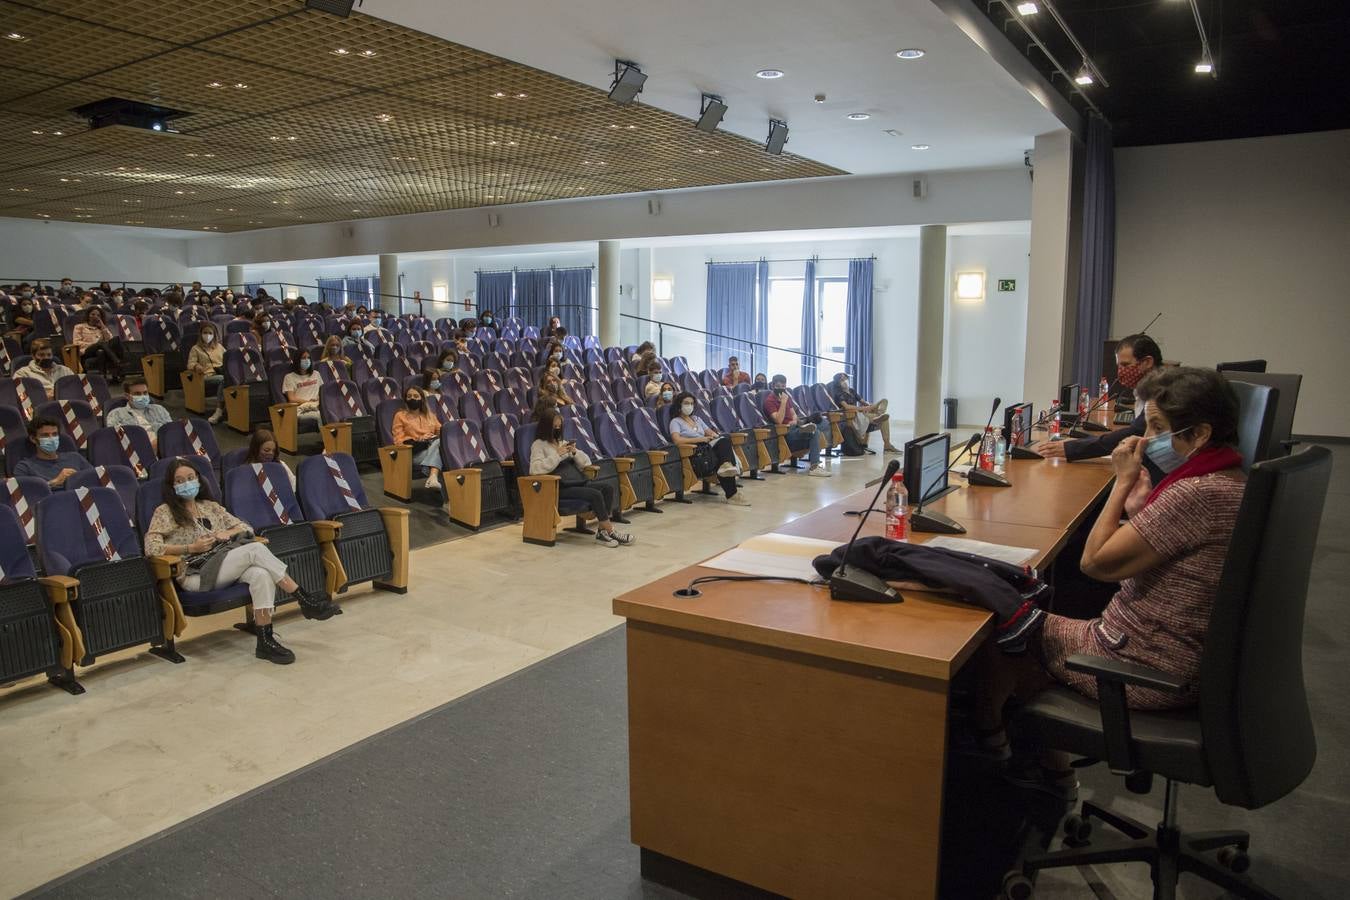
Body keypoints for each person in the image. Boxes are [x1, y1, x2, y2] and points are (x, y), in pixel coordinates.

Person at [972, 368, 1245, 799]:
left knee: (1006, 622)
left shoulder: (1195, 495)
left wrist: (1121, 485)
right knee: (1027, 606)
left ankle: (996, 752)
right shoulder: (1227, 480)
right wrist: (1140, 511)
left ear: (1199, 435)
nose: (1145, 437)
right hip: (1177, 655)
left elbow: (1095, 563)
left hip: (1138, 664)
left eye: (1157, 428)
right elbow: (1168, 546)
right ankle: (1038, 762)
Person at [143, 459, 338, 665]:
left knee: (261, 574)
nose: (186, 483)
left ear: (199, 480)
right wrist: (190, 548)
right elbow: (151, 547)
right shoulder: (164, 512)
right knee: (255, 549)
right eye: (180, 481)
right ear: (172, 486)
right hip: (195, 575)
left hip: (222, 564)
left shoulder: (210, 507)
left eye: (190, 478)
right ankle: (304, 598)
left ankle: (265, 640)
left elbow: (246, 528)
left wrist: (225, 533)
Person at [1032, 334, 1162, 460]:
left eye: (1126, 365)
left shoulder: (1160, 394)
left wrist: (1072, 447)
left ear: (1147, 362)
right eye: (1119, 366)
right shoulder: (1146, 390)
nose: (1120, 372)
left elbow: (1134, 433)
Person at [529, 407, 634, 547]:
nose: (557, 429)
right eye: (554, 426)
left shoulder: (562, 442)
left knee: (607, 488)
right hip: (558, 488)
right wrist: (557, 455)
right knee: (595, 494)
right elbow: (534, 470)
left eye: (559, 426)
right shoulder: (538, 445)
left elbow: (586, 463)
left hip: (575, 481)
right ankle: (611, 531)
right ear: (547, 426)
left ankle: (602, 532)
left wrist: (574, 452)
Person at [668, 392, 749, 506]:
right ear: (679, 405)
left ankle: (729, 479)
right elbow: (677, 440)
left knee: (724, 442)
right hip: (695, 452)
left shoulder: (697, 419)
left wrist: (714, 435)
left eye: (691, 403)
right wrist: (700, 439)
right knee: (723, 456)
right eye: (686, 403)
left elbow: (708, 431)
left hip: (707, 448)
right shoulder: (675, 422)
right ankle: (732, 494)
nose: (689, 406)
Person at [763, 374, 831, 476]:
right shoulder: (769, 401)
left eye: (783, 387)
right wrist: (783, 403)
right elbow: (778, 420)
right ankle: (814, 467)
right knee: (814, 432)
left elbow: (794, 415)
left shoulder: (787, 398)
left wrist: (794, 421)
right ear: (772, 386)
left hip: (794, 428)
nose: (781, 389)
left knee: (822, 424)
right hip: (784, 433)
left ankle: (806, 428)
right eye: (778, 387)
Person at [827, 371, 898, 454]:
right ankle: (878, 422)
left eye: (846, 378)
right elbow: (846, 407)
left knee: (884, 401)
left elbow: (863, 401)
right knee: (884, 419)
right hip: (852, 416)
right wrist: (863, 408)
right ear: (838, 382)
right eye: (842, 380)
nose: (845, 381)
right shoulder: (838, 393)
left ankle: (879, 419)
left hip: (861, 413)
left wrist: (869, 406)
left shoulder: (852, 391)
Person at [14, 416, 91, 488]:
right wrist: (54, 482)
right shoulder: (24, 467)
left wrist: (79, 478)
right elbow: (25, 494)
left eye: (54, 434)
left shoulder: (75, 457)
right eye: (45, 435)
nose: (51, 439)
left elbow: (95, 479)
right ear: (33, 439)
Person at [392, 386, 444, 489]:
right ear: (405, 399)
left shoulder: (430, 415)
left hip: (432, 448)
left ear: (422, 399)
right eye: (409, 396)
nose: (412, 399)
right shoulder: (400, 415)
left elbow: (442, 432)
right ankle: (434, 478)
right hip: (414, 453)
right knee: (442, 450)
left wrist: (432, 437)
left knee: (440, 444)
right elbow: (398, 441)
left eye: (416, 396)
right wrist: (419, 439)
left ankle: (433, 477)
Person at [106, 378, 172, 450]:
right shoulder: (116, 414)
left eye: (145, 393)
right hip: (137, 452)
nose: (143, 396)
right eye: (137, 394)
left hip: (166, 448)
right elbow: (116, 441)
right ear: (127, 396)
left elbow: (172, 431)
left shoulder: (159, 409)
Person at [72, 307, 125, 382]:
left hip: (102, 350)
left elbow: (110, 340)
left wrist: (103, 326)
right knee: (100, 344)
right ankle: (117, 362)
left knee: (115, 340)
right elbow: (76, 342)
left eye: (98, 315)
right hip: (86, 351)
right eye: (92, 314)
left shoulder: (101, 328)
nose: (95, 317)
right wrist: (94, 344)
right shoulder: (79, 327)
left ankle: (106, 376)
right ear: (88, 315)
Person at [188, 322, 227, 424]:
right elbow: (190, 364)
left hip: (222, 373)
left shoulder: (219, 347)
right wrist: (197, 366)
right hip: (205, 377)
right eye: (205, 332)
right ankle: (218, 411)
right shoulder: (195, 348)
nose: (207, 335)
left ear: (214, 335)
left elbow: (227, 358)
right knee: (223, 379)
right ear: (201, 334)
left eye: (210, 333)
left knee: (229, 379)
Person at [281, 350, 321, 426]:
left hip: (318, 405)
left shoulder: (316, 374)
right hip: (302, 409)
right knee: (320, 416)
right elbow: (292, 399)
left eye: (308, 358)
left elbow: (322, 392)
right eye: (303, 358)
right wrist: (308, 402)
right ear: (297, 360)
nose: (306, 360)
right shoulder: (289, 377)